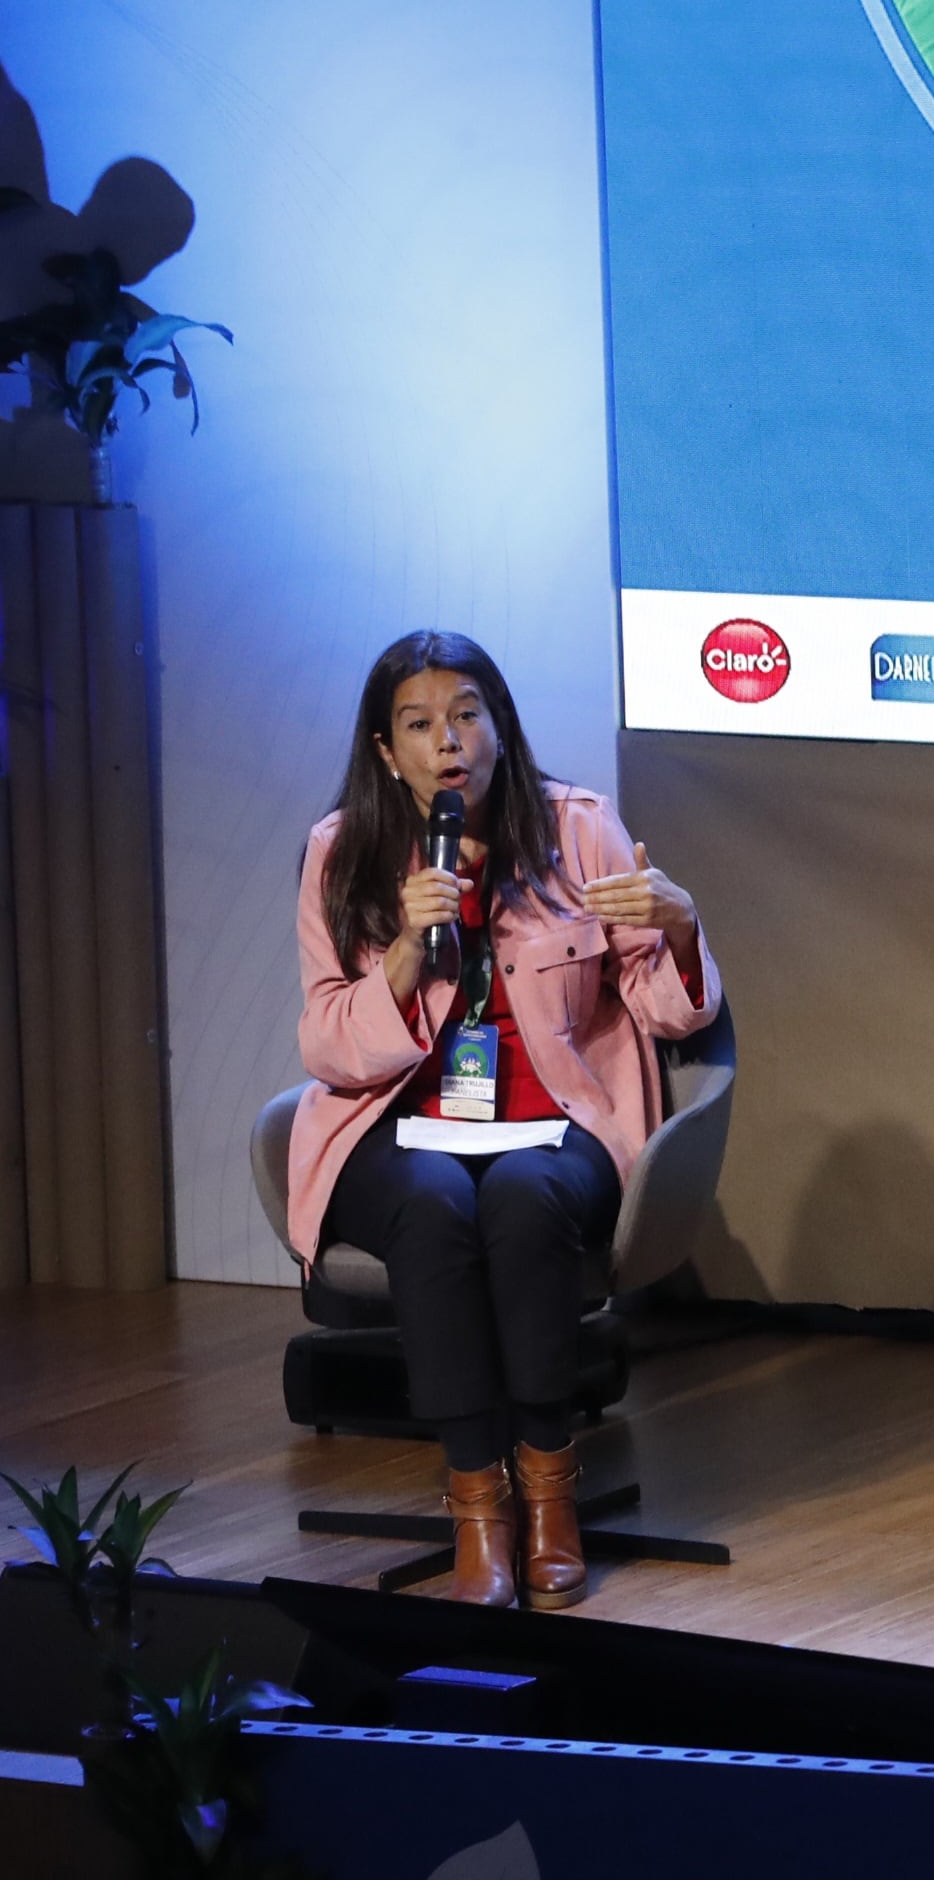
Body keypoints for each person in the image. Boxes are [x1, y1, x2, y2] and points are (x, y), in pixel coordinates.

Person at [286, 633, 724, 1613]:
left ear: (500, 723)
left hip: (554, 1121)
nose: (449, 740)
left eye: (467, 714)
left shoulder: (578, 828)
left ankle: (550, 1491)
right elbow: (325, 1042)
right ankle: (478, 1505)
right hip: (395, 1126)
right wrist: (404, 948)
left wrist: (681, 923)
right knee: (435, 1206)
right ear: (385, 749)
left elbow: (666, 1012)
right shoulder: (339, 852)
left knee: (525, 1198)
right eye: (420, 723)